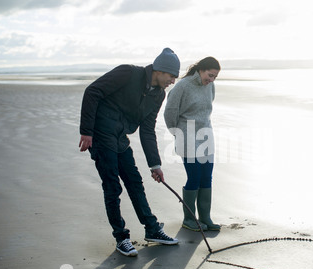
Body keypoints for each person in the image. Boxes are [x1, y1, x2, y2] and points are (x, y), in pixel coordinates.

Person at [79, 48, 180, 257]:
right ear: (160, 70)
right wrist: (86, 131)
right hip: (100, 135)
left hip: (120, 139)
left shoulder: (158, 95)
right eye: (171, 76)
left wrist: (155, 165)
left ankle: (152, 229)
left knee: (134, 182)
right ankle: (121, 238)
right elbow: (92, 91)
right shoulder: (128, 73)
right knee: (112, 187)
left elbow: (147, 129)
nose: (172, 81)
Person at [164, 57, 221, 232]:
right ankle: (189, 219)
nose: (211, 80)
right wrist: (178, 134)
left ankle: (205, 218)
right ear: (201, 70)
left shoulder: (210, 86)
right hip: (186, 135)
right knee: (194, 177)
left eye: (215, 77)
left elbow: (207, 108)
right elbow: (169, 113)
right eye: (210, 75)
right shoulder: (183, 86)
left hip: (206, 135)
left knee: (206, 177)